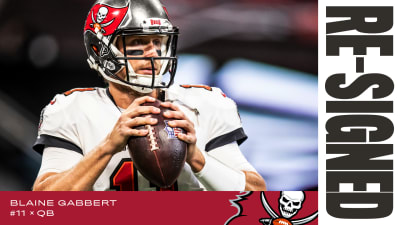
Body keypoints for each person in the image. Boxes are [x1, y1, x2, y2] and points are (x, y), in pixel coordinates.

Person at [32, 0, 266, 191]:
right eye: (138, 42)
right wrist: (106, 147)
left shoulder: (205, 104)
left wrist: (196, 157)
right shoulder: (72, 110)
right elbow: (44, 205)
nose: (153, 53)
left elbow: (257, 199)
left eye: (158, 41)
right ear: (100, 50)